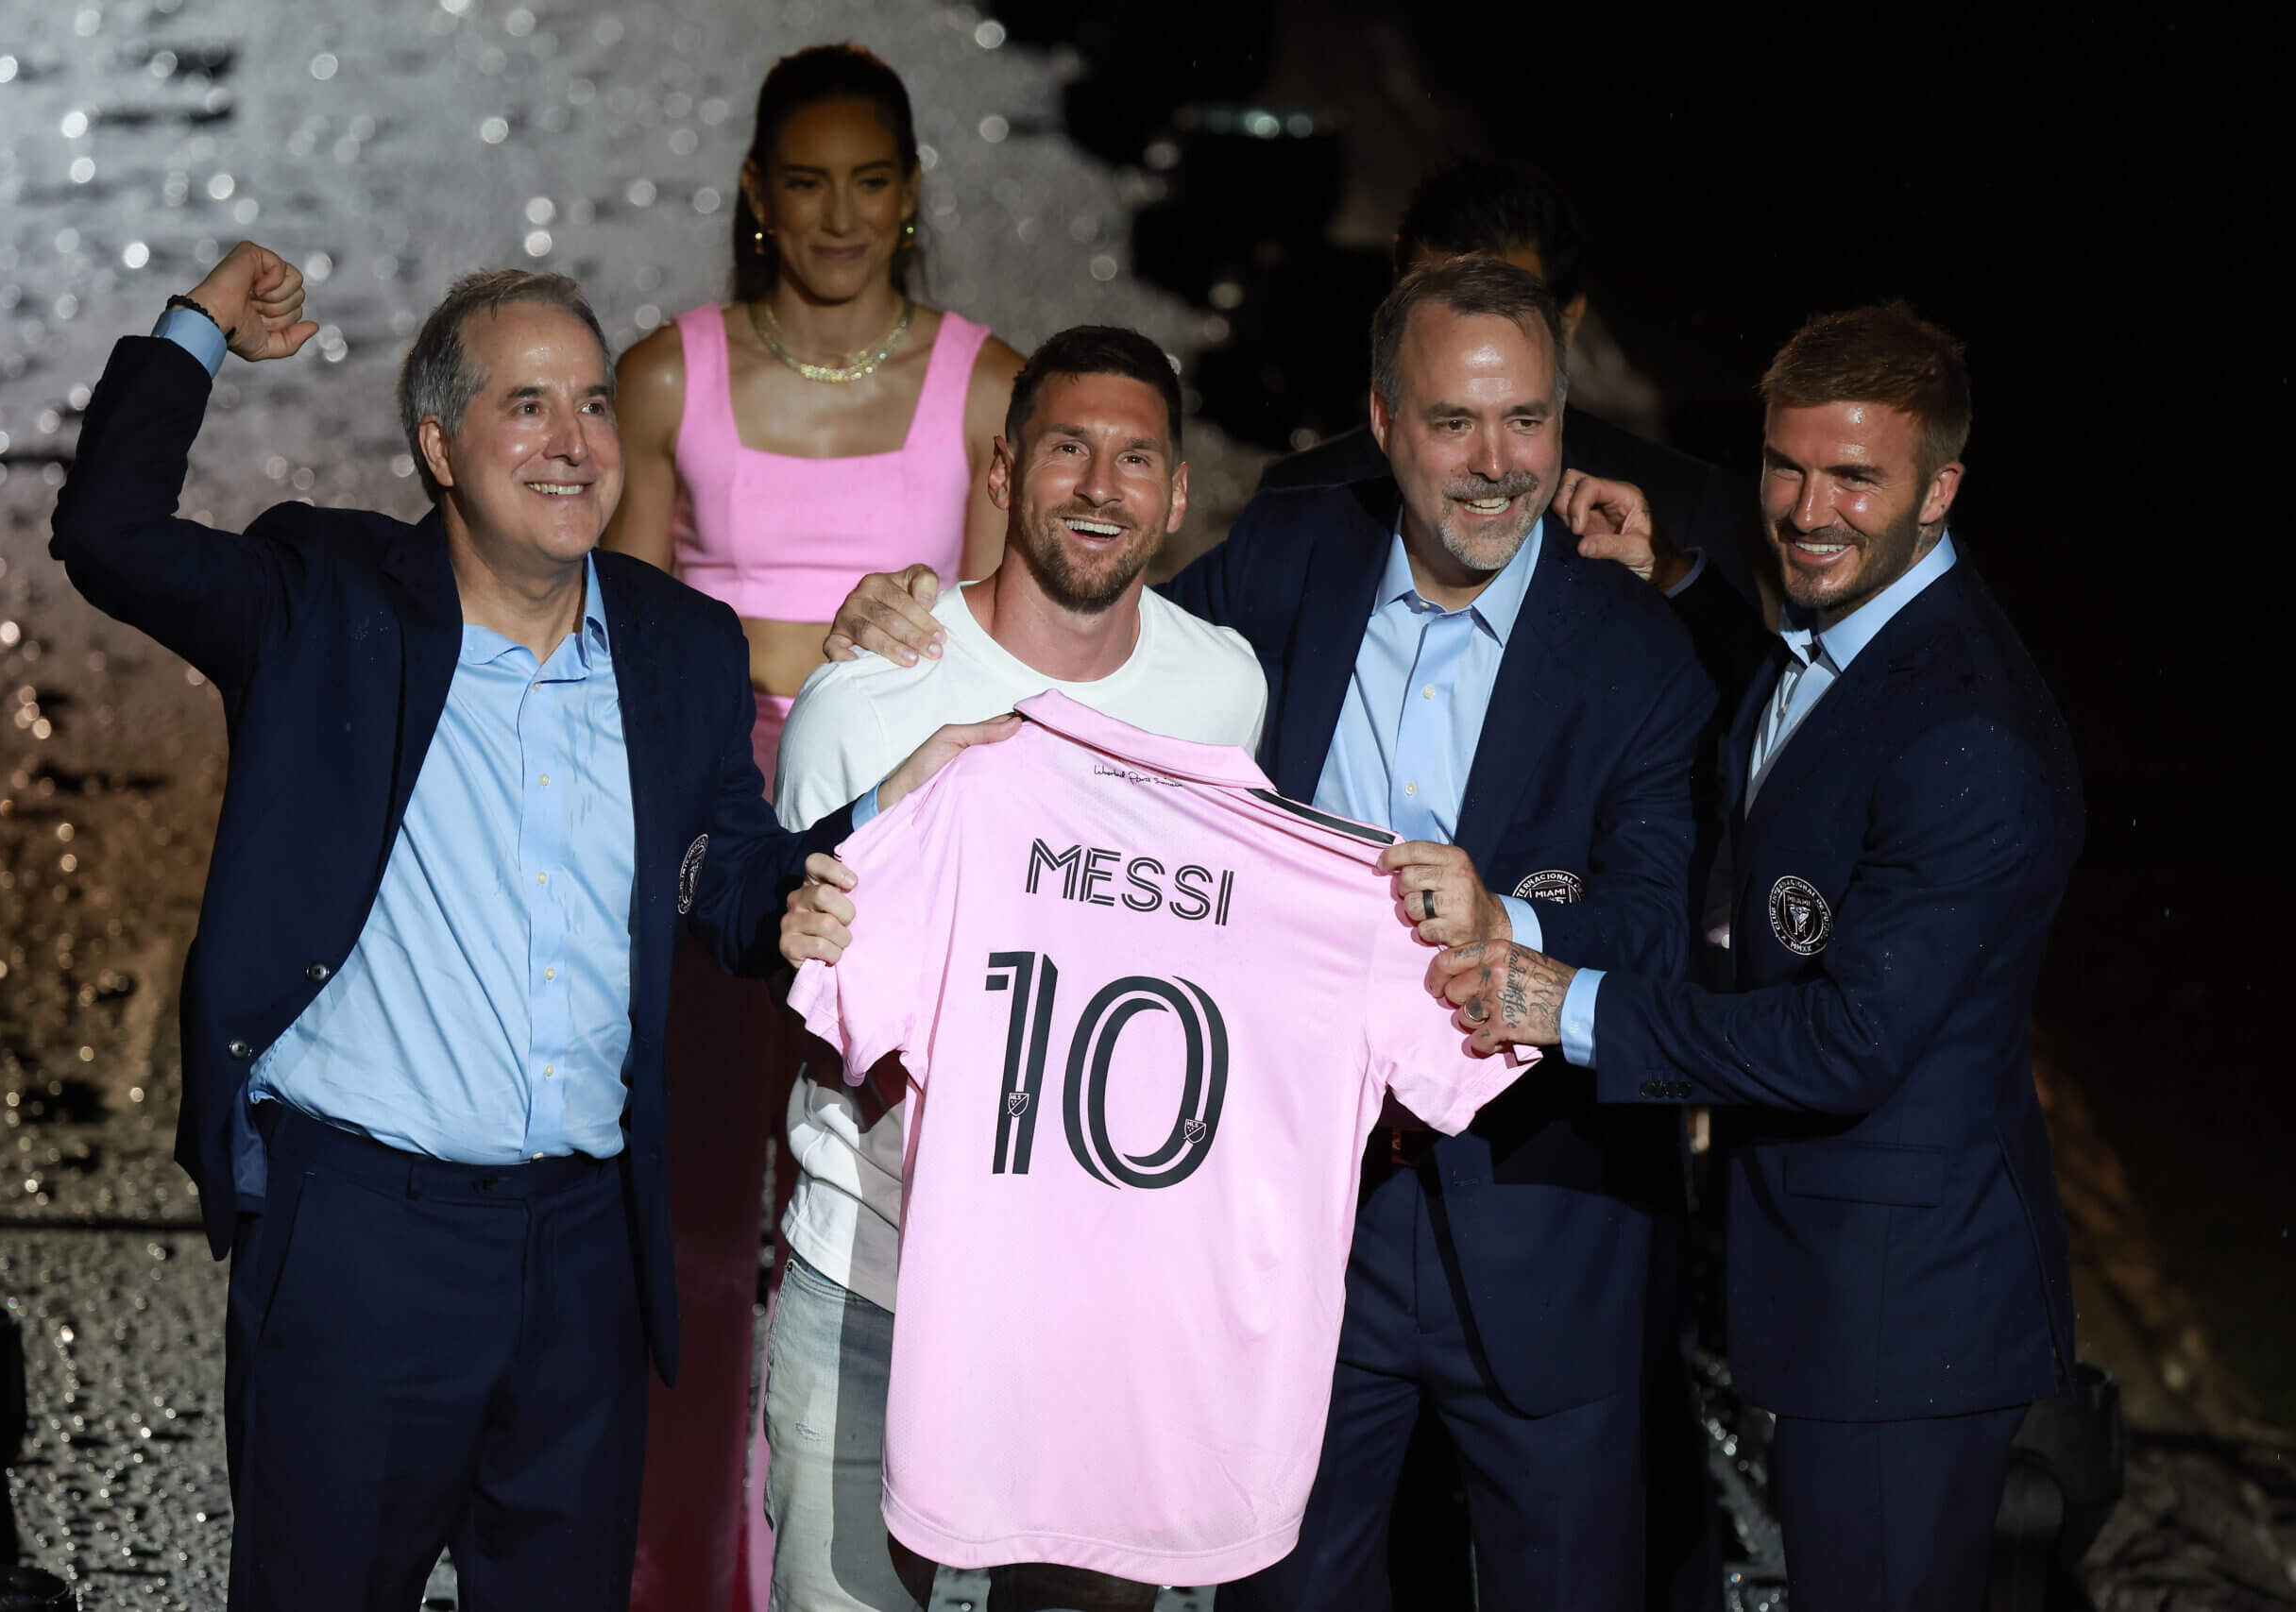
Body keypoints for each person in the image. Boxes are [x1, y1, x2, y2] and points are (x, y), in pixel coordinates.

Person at [47, 242, 973, 1611]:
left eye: (594, 402)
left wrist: (839, 856)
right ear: (437, 441)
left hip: (582, 1254)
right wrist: (196, 330)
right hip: (363, 1236)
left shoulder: (680, 645)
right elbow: (107, 534)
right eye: (525, 404)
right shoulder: (329, 602)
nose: (573, 441)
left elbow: (720, 873)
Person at [824, 255, 1718, 1611]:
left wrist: (1510, 921)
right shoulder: (1294, 560)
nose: (1495, 464)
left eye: (1527, 421)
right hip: (1300, 1233)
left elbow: (1656, 928)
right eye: (1452, 422)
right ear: (1379, 420)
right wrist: (925, 619)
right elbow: (1102, 644)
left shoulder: (1641, 650)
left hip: (1547, 1233)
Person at [1450, 303, 2080, 1611]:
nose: (1807, 507)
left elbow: (1849, 1034)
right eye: (1786, 466)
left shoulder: (1975, 743)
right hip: (1823, 1272)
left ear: (1942, 486)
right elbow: (1814, 742)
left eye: (1856, 476)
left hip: (1909, 1320)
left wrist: (1575, 1004)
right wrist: (1676, 580)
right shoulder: (1851, 638)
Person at [594, 43, 1024, 1611]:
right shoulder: (666, 377)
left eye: (871, 182)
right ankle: (685, 1579)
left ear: (911, 197)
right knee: (706, 1240)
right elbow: (627, 646)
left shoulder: (992, 388)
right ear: (755, 198)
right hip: (714, 849)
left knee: (878, 1238)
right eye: (806, 181)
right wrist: (794, 662)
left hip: (896, 860)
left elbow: (1009, 654)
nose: (839, 215)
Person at [766, 325, 1267, 1611]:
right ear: (1001, 471)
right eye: (1067, 449)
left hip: (1106, 1317)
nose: (1101, 487)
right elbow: (800, 977)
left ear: (1177, 492)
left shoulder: (1225, 697)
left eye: (1135, 457)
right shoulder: (865, 698)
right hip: (872, 1285)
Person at [1261, 158, 1768, 710]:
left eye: (1509, 304)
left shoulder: (1679, 507)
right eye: (1440, 298)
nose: (1472, 329)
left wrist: (1669, 575)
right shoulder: (1295, 499)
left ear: (1569, 320)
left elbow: (1757, 725)